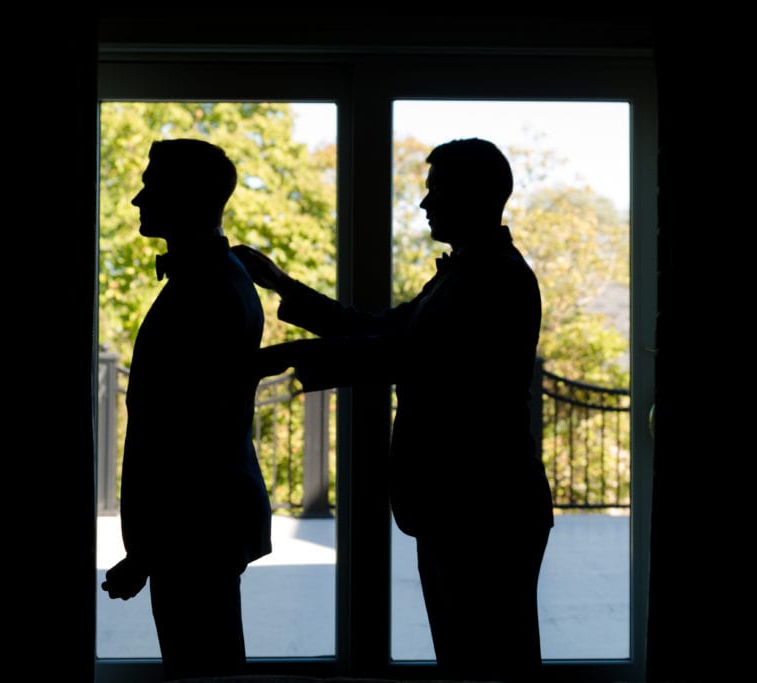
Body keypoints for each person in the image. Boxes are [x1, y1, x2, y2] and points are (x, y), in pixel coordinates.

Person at [232, 138, 554, 681]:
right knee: (477, 657)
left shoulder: (494, 277)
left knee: (488, 663)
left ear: (472, 195)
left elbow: (405, 354)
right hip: (474, 501)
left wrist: (284, 357)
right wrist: (283, 286)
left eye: (435, 191)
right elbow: (379, 327)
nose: (425, 205)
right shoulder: (469, 273)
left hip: (483, 504)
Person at [102, 138, 272, 680]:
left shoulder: (207, 290)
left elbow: (196, 437)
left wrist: (148, 552)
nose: (136, 199)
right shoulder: (218, 281)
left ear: (186, 197)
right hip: (201, 529)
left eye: (151, 186)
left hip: (196, 531)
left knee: (204, 678)